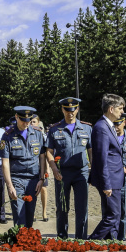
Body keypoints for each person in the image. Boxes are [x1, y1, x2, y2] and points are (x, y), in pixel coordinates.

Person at [46, 98, 92, 239]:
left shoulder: (87, 128)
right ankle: (62, 236)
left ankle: (81, 237)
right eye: (67, 110)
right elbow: (49, 151)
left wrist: (94, 169)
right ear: (62, 110)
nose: (70, 113)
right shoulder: (55, 129)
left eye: (73, 110)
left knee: (82, 207)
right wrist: (54, 168)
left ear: (77, 109)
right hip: (62, 172)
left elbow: (91, 151)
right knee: (62, 207)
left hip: (81, 172)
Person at [0, 106, 46, 229]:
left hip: (33, 180)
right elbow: (5, 162)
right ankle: (19, 241)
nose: (26, 123)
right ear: (16, 117)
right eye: (23, 120)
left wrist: (41, 179)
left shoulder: (37, 133)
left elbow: (42, 157)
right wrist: (9, 186)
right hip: (16, 179)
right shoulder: (7, 136)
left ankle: (27, 240)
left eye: (28, 120)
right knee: (19, 213)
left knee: (30, 213)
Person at [88, 94, 126, 240]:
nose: (122, 112)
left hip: (114, 178)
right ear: (111, 109)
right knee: (113, 215)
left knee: (113, 215)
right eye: (120, 108)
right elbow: (101, 158)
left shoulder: (107, 126)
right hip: (110, 179)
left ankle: (111, 242)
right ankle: (92, 242)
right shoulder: (102, 127)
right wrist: (106, 183)